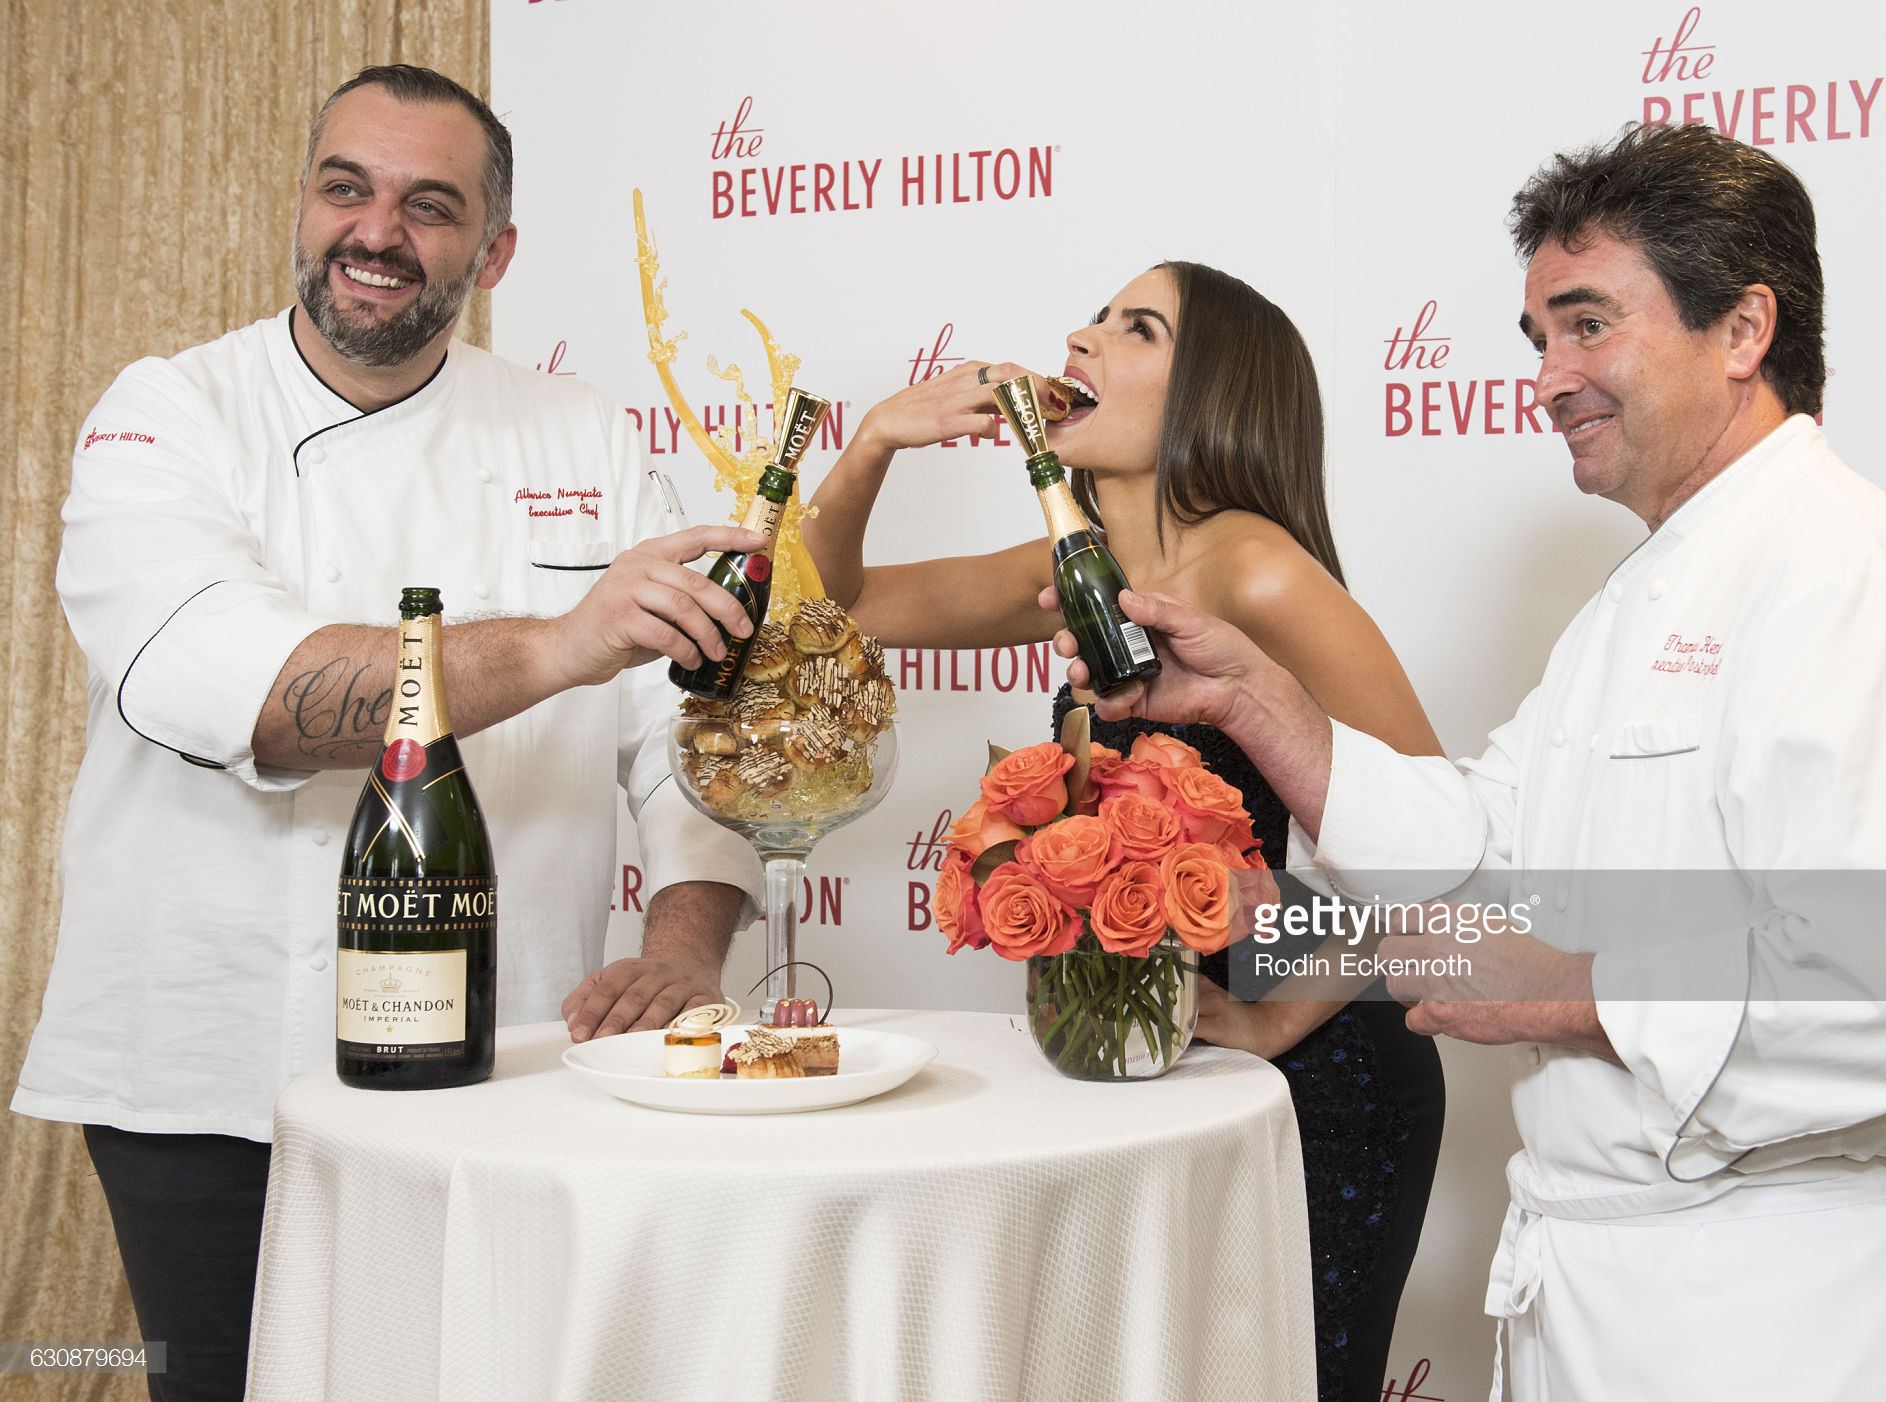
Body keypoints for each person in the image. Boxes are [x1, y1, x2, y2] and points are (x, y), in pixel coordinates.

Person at [1050, 124, 1886, 1400]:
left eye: (1586, 326)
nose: (1548, 379)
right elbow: (1483, 845)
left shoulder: (1842, 572)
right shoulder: (1639, 599)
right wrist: (1257, 704)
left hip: (1786, 1319)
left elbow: (1882, 990)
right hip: (1605, 1300)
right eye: (1537, 340)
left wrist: (1564, 988)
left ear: (1742, 329)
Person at [12, 65, 768, 1401]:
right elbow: (245, 690)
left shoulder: (584, 437)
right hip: (205, 1066)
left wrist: (683, 944)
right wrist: (562, 641)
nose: (376, 232)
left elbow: (690, 730)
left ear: (496, 252)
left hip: (511, 1060)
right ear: (302, 204)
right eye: (345, 188)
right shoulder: (165, 413)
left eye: (430, 205)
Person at [807, 262, 1446, 1398]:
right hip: (1165, 1064)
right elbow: (831, 604)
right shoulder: (1079, 561)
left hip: (1323, 1078)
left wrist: (1273, 1019)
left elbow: (1440, 841)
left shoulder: (1257, 569)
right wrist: (874, 445)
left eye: (1135, 328)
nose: (1081, 338)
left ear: (1211, 393)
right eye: (1096, 317)